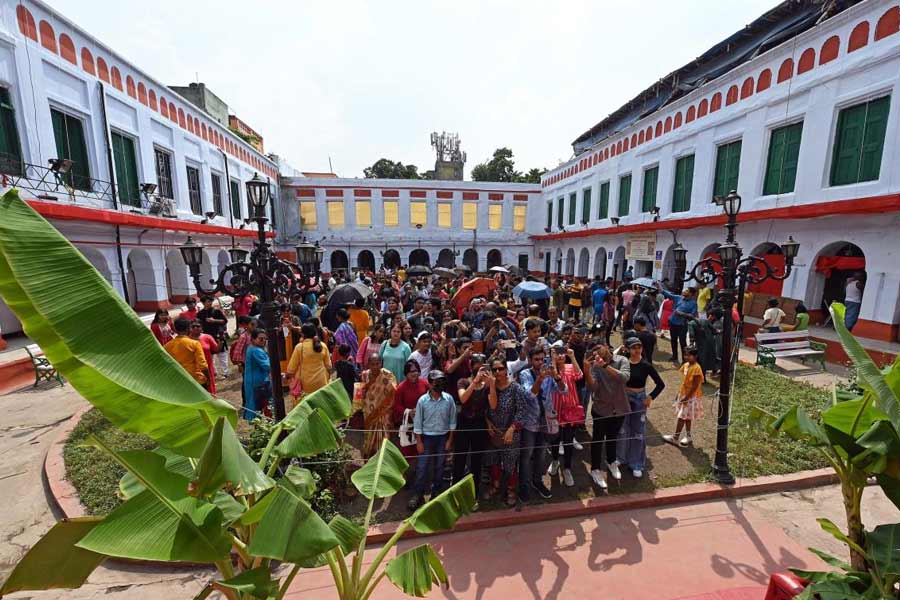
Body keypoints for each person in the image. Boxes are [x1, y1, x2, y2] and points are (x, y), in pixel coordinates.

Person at [516, 347, 561, 502]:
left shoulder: (549, 374)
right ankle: (524, 486)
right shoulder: (525, 374)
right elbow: (530, 395)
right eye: (537, 359)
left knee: (541, 455)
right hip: (530, 423)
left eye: (543, 359)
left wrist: (557, 377)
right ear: (530, 360)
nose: (540, 362)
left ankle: (537, 482)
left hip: (545, 422)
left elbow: (563, 391)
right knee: (526, 456)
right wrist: (540, 379)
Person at [408, 370, 457, 510]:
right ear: (430, 384)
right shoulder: (422, 401)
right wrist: (419, 442)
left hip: (442, 438)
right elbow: (417, 423)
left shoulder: (449, 399)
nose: (440, 384)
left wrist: (450, 440)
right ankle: (417, 494)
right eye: (437, 381)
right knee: (422, 467)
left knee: (439, 466)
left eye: (442, 381)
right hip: (427, 438)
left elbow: (452, 421)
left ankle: (436, 492)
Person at [617, 337, 665, 478]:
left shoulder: (646, 365)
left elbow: (660, 384)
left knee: (638, 432)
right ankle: (621, 457)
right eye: (633, 347)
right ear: (628, 349)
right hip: (625, 398)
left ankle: (636, 463)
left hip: (639, 399)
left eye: (639, 347)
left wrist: (650, 397)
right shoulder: (622, 363)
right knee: (622, 429)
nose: (637, 350)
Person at [583, 343, 629, 489]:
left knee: (612, 437)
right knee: (597, 440)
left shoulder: (621, 360)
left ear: (605, 346)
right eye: (594, 350)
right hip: (601, 409)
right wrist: (587, 370)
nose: (597, 353)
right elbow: (594, 387)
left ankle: (611, 462)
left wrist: (605, 366)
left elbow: (623, 378)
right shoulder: (595, 366)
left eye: (598, 348)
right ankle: (595, 470)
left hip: (619, 408)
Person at [484, 357, 527, 507]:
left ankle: (510, 490)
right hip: (493, 432)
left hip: (511, 433)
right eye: (494, 369)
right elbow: (486, 409)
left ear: (506, 369)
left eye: (500, 369)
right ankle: (495, 485)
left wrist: (512, 428)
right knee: (492, 460)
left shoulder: (516, 388)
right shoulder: (490, 386)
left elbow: (522, 411)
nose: (497, 372)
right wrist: (488, 423)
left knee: (510, 463)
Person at [454, 353, 489, 502]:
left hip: (479, 425)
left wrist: (490, 383)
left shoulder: (487, 385)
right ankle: (455, 492)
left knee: (476, 461)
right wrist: (474, 383)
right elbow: (463, 399)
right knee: (459, 460)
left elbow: (492, 404)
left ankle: (474, 492)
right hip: (464, 424)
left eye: (482, 365)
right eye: (477, 365)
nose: (479, 368)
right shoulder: (463, 382)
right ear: (471, 366)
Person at [548, 346, 583, 487]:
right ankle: (555, 461)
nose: (561, 356)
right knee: (555, 440)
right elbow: (554, 378)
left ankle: (567, 468)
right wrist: (552, 360)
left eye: (562, 354)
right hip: (555, 411)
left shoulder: (569, 367)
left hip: (570, 411)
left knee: (568, 441)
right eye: (557, 354)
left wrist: (573, 356)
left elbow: (580, 375)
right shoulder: (549, 370)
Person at [663, 347, 705, 447]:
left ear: (695, 356)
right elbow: (684, 381)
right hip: (684, 393)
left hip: (691, 396)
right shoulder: (686, 365)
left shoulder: (697, 368)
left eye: (689, 355)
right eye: (685, 355)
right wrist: (679, 394)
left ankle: (675, 438)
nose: (686, 357)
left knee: (682, 417)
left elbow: (695, 386)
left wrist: (686, 397)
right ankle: (688, 436)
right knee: (687, 417)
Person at [357, 353, 397, 458]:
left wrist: (384, 408)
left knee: (384, 439)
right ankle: (369, 459)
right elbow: (360, 393)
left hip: (384, 414)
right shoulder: (364, 375)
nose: (375, 367)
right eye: (372, 364)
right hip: (369, 413)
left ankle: (383, 460)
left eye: (377, 364)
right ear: (368, 364)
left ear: (381, 364)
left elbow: (393, 392)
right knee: (369, 438)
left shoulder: (387, 375)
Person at [286, 323, 332, 406]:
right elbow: (329, 366)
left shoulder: (300, 347)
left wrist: (287, 377)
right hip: (321, 381)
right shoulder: (322, 346)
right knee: (321, 407)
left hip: (305, 384)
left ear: (302, 334)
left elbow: (291, 369)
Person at [393, 360, 429, 460]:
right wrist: (409, 412)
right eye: (410, 372)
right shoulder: (401, 387)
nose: (413, 374)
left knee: (422, 451)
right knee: (408, 453)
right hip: (408, 425)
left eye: (415, 371)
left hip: (424, 423)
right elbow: (397, 406)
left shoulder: (425, 384)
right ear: (406, 374)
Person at [659, 286, 698, 365]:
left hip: (682, 324)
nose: (684, 291)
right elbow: (668, 294)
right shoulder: (678, 298)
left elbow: (692, 316)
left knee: (682, 342)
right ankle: (674, 356)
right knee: (673, 340)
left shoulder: (693, 303)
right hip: (673, 322)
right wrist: (659, 287)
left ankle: (685, 360)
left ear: (691, 293)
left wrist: (681, 314)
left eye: (686, 291)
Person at [165, 317, 208, 386]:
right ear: (188, 328)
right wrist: (208, 379)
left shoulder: (167, 346)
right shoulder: (194, 343)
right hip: (196, 380)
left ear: (175, 329)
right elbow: (203, 366)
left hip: (179, 381)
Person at [242, 330, 272, 421]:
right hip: (259, 384)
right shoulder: (257, 351)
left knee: (256, 409)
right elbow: (268, 366)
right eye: (260, 339)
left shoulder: (251, 348)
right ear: (253, 339)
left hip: (253, 382)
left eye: (265, 339)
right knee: (267, 408)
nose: (263, 341)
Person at [197, 296, 229, 380]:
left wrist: (214, 320)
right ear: (203, 303)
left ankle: (225, 372)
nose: (210, 303)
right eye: (208, 301)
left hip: (218, 335)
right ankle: (213, 372)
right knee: (209, 355)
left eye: (210, 301)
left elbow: (225, 321)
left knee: (221, 354)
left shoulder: (217, 311)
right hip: (206, 336)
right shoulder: (200, 314)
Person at [189, 321, 219, 394]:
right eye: (193, 326)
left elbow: (216, 349)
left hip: (207, 366)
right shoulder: (187, 339)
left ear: (202, 328)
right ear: (190, 328)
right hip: (193, 368)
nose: (196, 328)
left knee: (209, 386)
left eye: (198, 326)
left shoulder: (207, 337)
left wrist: (221, 341)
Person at [277, 303, 302, 373]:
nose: (286, 313)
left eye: (288, 311)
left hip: (295, 345)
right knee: (285, 367)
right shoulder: (278, 320)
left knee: (296, 364)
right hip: (283, 348)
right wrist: (281, 329)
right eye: (283, 311)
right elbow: (274, 334)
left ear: (291, 311)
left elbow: (301, 330)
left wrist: (292, 327)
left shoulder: (295, 319)